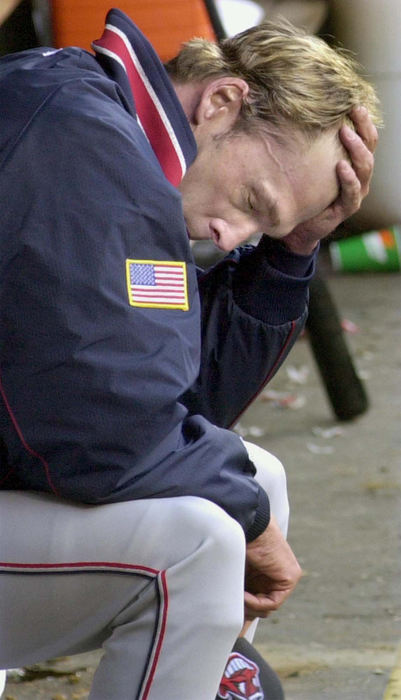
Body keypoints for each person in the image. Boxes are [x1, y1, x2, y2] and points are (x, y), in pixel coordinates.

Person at [0, 8, 379, 699]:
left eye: (259, 227)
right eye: (252, 200)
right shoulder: (83, 145)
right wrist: (250, 523)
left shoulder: (110, 130)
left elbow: (176, 400)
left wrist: (288, 252)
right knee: (204, 539)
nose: (231, 237)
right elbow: (99, 429)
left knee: (251, 480)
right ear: (223, 100)